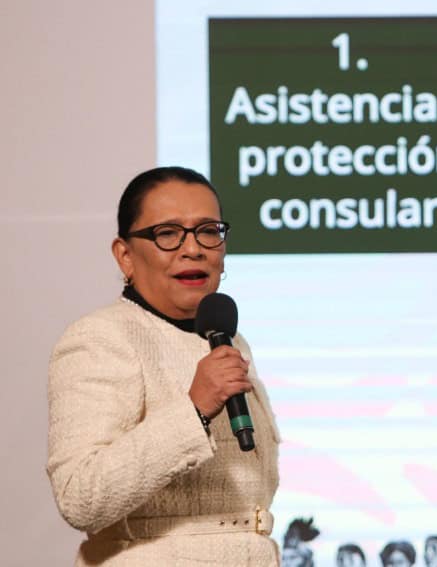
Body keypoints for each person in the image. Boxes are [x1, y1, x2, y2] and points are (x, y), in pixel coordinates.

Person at [46, 166, 281, 565]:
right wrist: (193, 410)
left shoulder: (225, 338)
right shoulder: (101, 337)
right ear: (125, 256)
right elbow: (80, 495)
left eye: (208, 230)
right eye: (168, 234)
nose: (193, 248)